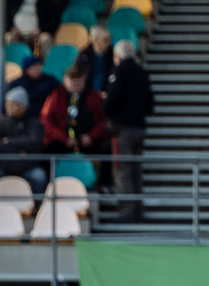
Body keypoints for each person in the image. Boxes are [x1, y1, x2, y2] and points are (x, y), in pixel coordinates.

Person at [104, 40, 153, 221]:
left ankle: (127, 213)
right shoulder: (142, 73)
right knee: (136, 170)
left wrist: (107, 108)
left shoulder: (119, 72)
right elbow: (151, 104)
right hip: (140, 128)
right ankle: (138, 210)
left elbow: (112, 101)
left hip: (123, 130)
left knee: (122, 170)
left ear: (117, 56)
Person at [43, 61, 109, 156]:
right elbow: (46, 120)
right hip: (63, 140)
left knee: (106, 148)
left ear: (84, 79)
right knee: (51, 147)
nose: (75, 82)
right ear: (65, 80)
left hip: (89, 140)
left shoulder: (94, 97)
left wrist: (91, 136)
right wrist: (64, 138)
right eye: (72, 78)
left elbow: (103, 120)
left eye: (79, 78)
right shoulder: (55, 96)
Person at [0, 87, 47, 193]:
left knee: (39, 176)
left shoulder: (34, 123)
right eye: (7, 103)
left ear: (23, 106)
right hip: (3, 166)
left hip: (27, 167)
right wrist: (19, 151)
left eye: (13, 104)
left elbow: (35, 143)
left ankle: (36, 203)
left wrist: (9, 141)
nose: (8, 107)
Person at [73, 23, 114, 94]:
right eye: (105, 40)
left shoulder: (112, 54)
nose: (109, 43)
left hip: (106, 93)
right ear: (95, 40)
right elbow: (77, 74)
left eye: (110, 39)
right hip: (87, 94)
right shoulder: (84, 55)